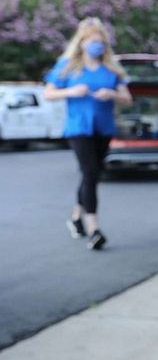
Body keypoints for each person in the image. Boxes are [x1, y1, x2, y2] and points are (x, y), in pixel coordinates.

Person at [43, 17, 132, 250]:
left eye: (100, 41)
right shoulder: (67, 67)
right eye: (93, 41)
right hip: (79, 128)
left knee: (91, 174)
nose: (97, 46)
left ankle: (76, 217)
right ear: (82, 42)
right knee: (90, 171)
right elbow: (48, 93)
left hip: (103, 128)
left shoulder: (111, 69)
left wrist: (111, 94)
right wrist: (71, 91)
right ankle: (94, 228)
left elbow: (127, 99)